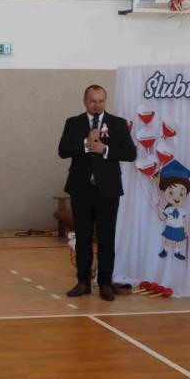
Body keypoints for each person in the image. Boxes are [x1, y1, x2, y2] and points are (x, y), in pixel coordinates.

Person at [58, 85, 136, 301]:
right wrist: (86, 144)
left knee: (106, 238)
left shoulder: (118, 123)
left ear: (105, 101)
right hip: (81, 189)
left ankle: (105, 284)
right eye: (93, 101)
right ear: (85, 101)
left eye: (101, 101)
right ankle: (83, 282)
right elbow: (63, 151)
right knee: (82, 237)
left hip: (108, 190)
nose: (97, 105)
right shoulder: (73, 123)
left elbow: (131, 153)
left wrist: (105, 149)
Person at [156, 159, 190, 261]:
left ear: (186, 195)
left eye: (181, 193)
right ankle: (165, 250)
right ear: (163, 191)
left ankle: (177, 252)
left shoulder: (182, 210)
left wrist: (186, 229)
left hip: (179, 228)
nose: (176, 197)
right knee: (167, 239)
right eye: (171, 192)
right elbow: (163, 217)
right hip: (170, 226)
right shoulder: (168, 209)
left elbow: (184, 220)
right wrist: (159, 209)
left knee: (178, 241)